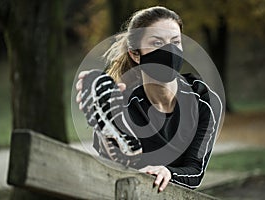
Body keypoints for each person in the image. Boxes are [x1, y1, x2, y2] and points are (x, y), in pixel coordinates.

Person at [76, 6, 222, 192]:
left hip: (172, 193)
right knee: (116, 136)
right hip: (129, 189)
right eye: (157, 43)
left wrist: (167, 172)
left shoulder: (204, 101)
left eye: (175, 42)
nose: (169, 50)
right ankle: (110, 132)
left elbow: (195, 170)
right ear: (135, 54)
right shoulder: (127, 103)